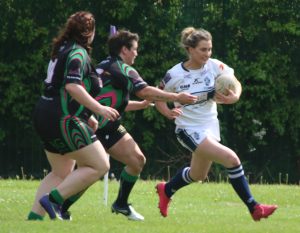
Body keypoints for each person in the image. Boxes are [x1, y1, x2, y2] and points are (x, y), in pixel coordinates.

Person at [58, 29, 198, 221]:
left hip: (105, 124)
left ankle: (120, 204)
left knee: (137, 160)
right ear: (124, 49)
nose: (137, 53)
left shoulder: (104, 66)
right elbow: (145, 91)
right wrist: (177, 97)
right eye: (135, 49)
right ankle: (59, 206)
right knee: (90, 172)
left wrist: (139, 105)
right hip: (96, 126)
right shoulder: (122, 68)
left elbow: (109, 103)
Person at [155, 27, 277, 221]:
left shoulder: (214, 66)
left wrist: (235, 95)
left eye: (209, 49)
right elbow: (157, 96)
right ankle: (255, 208)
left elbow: (234, 81)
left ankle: (166, 189)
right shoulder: (175, 74)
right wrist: (168, 112)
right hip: (188, 129)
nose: (207, 54)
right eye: (203, 49)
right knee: (232, 159)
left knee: (198, 175)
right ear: (190, 49)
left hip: (210, 125)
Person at [27, 11, 119, 221]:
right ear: (90, 32)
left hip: (44, 113)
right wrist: (99, 108)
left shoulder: (62, 49)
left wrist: (86, 114)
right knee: (101, 164)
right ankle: (52, 200)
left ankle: (34, 219)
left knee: (61, 171)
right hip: (61, 117)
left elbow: (61, 87)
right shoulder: (77, 52)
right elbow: (71, 86)